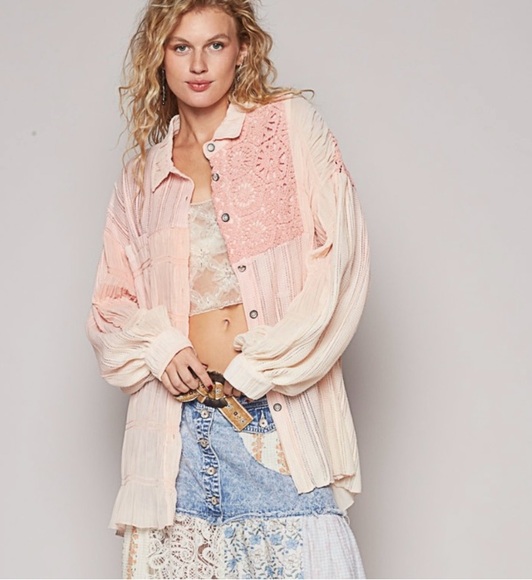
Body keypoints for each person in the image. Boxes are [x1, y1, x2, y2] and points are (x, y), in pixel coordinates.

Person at [87, 0, 370, 577]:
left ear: (241, 51)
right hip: (176, 436)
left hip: (272, 415)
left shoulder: (287, 128)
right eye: (181, 47)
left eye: (215, 45)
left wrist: (264, 365)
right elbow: (109, 306)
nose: (198, 65)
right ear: (159, 57)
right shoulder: (141, 177)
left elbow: (342, 260)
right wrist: (161, 348)